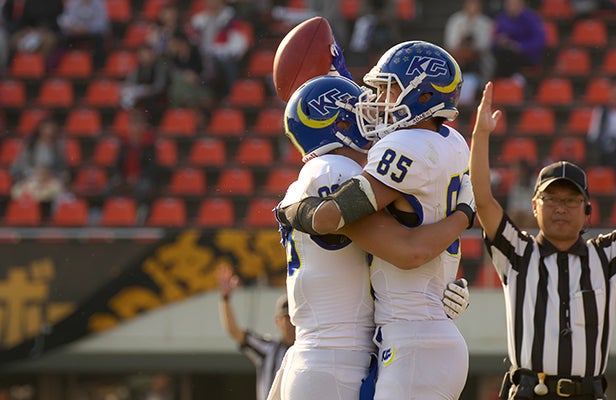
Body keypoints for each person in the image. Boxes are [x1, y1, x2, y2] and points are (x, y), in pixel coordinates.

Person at [277, 40, 474, 399]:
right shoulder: (452, 142)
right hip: (368, 350)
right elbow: (407, 239)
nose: (374, 104)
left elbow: (357, 224)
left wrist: (438, 286)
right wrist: (464, 216)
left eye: (387, 91)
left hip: (389, 345)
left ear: (423, 96)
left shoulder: (377, 157)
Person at [469, 81, 616, 399]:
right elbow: (483, 200)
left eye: (571, 200)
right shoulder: (517, 252)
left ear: (587, 210)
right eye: (551, 199)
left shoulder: (606, 256)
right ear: (534, 206)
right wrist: (480, 135)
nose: (560, 208)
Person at [217, 263, 294, 400]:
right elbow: (234, 331)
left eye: (292, 318)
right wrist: (225, 298)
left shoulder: (307, 348)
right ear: (277, 321)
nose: (290, 324)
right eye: (286, 318)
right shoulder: (268, 349)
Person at [444, 0, 494, 105]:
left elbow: (485, 45)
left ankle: (480, 89)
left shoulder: (486, 22)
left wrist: (471, 49)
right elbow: (450, 44)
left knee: (488, 63)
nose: (472, 7)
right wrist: (462, 44)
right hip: (458, 57)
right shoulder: (455, 20)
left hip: (479, 59)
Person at [492, 0, 546, 80]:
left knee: (508, 56)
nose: (512, 7)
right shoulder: (502, 19)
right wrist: (500, 41)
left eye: (514, 4)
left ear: (521, 5)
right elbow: (494, 39)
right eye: (509, 5)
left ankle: (513, 80)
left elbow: (539, 40)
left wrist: (520, 46)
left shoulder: (532, 18)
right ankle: (506, 81)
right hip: (505, 53)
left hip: (526, 55)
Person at [506, 159, 537, 229]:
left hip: (531, 213)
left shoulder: (535, 184)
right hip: (518, 213)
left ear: (524, 170)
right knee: (512, 217)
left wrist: (525, 212)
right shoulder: (515, 185)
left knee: (530, 220)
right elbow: (512, 205)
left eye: (518, 169)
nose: (516, 172)